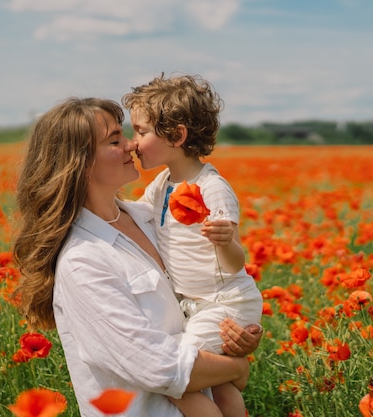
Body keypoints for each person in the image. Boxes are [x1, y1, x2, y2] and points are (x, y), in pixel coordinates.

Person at [12, 97, 262, 417]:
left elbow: (200, 294)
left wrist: (235, 332)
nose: (132, 144)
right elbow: (156, 366)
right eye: (115, 140)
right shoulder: (82, 261)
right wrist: (235, 368)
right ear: (80, 163)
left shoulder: (152, 217)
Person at [122, 74, 264, 417]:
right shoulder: (162, 183)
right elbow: (136, 214)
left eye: (141, 131)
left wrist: (226, 241)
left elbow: (234, 264)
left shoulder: (213, 188)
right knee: (220, 384)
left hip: (224, 303)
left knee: (177, 372)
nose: (133, 142)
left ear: (177, 135)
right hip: (197, 306)